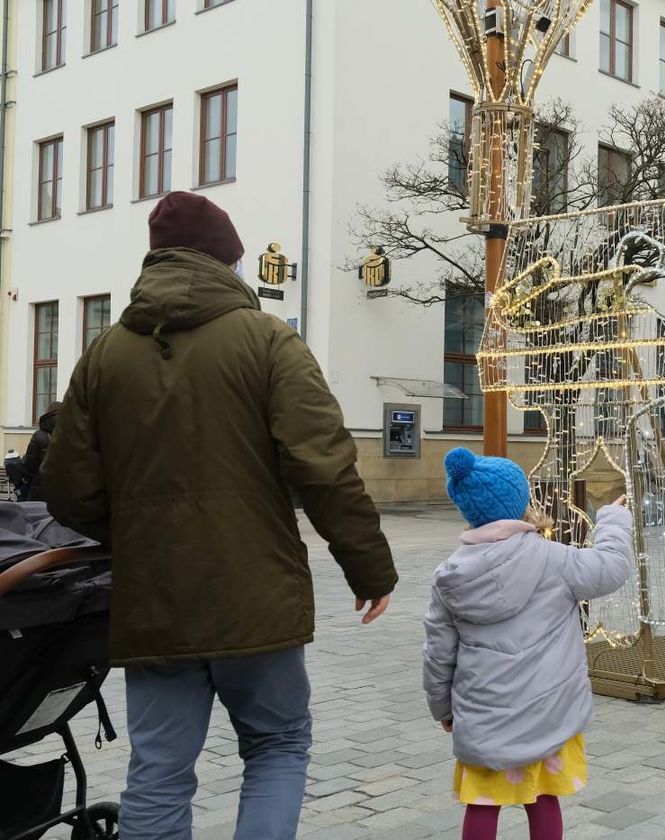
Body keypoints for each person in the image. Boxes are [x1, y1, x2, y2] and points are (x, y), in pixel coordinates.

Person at [41, 192, 398, 840]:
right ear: (230, 261)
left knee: (157, 773)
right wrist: (368, 567)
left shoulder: (105, 355)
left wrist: (137, 533)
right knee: (278, 746)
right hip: (255, 596)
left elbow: (66, 489)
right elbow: (323, 466)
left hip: (155, 603)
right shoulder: (267, 341)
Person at [424, 447, 632, 840]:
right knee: (544, 798)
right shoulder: (556, 559)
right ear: (520, 500)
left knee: (483, 803)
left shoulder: (450, 576)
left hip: (485, 714)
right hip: (548, 710)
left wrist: (442, 706)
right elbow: (611, 568)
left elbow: (438, 652)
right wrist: (613, 519)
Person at [17, 402, 59, 501]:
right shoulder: (74, 435)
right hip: (66, 492)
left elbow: (29, 467)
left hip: (41, 491)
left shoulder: (39, 436)